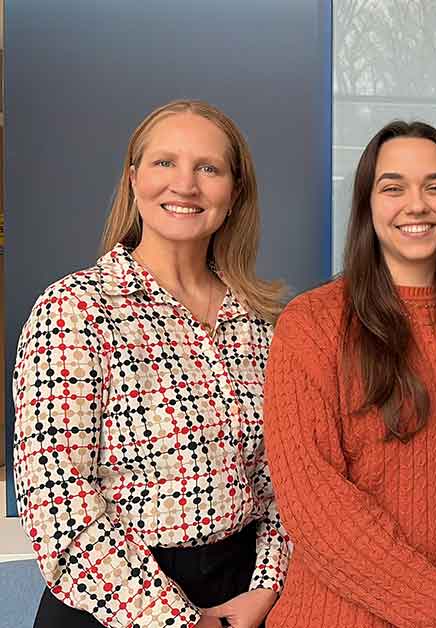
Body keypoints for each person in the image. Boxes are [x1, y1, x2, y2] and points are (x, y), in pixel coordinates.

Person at [12, 99, 289, 628]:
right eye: (165, 162)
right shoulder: (74, 309)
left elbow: (284, 484)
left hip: (244, 599)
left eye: (208, 168)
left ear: (235, 193)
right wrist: (182, 622)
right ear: (134, 179)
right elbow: (58, 503)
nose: (185, 185)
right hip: (114, 604)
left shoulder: (261, 324)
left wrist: (266, 587)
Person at [261, 120, 436, 628]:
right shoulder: (311, 325)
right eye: (393, 188)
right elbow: (315, 506)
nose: (417, 205)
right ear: (367, 205)